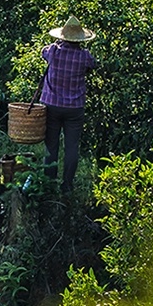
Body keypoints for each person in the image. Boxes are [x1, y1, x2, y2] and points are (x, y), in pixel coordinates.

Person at [38, 16, 98, 193]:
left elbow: (43, 52)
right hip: (75, 107)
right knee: (72, 146)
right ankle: (67, 185)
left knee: (51, 145)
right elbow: (93, 65)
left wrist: (58, 44)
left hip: (52, 104)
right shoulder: (84, 56)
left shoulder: (53, 51)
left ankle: (49, 182)